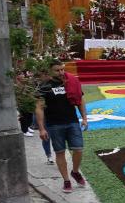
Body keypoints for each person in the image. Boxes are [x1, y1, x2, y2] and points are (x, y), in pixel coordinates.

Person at [36, 60, 88, 193]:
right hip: (54, 125)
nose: (61, 72)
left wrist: (84, 118)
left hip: (72, 121)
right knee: (60, 152)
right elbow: (39, 107)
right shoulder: (44, 87)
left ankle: (75, 172)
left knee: (78, 149)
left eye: (62, 69)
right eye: (57, 70)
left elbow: (80, 100)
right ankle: (66, 180)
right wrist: (41, 128)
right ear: (50, 71)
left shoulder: (71, 81)